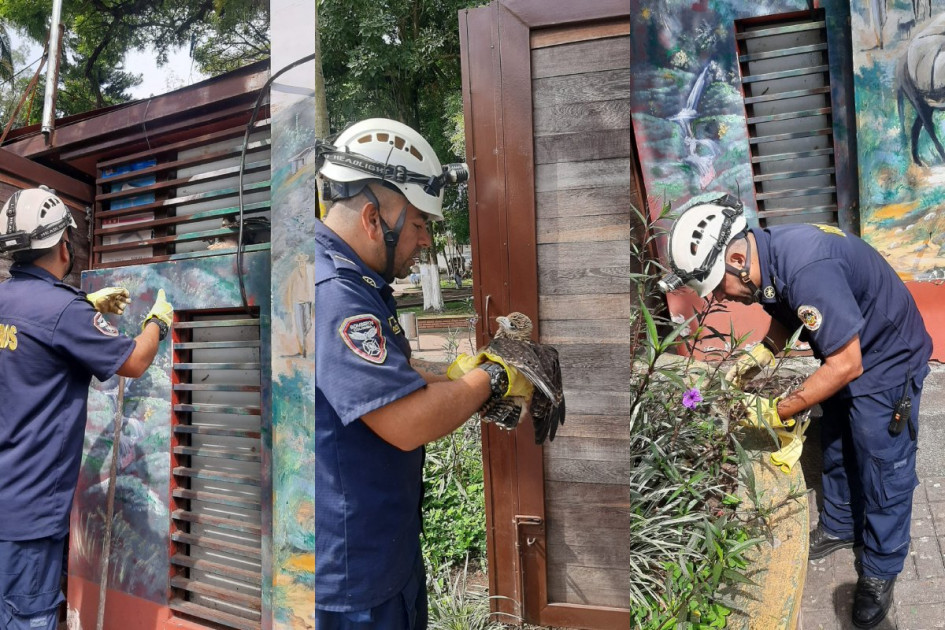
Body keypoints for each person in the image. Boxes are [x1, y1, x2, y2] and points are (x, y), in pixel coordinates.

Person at [660, 194, 932, 629]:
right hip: (848, 350)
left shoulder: (807, 268)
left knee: (883, 466)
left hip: (887, 358)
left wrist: (776, 411)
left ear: (733, 258)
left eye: (718, 287)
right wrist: (759, 358)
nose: (723, 299)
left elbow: (848, 364)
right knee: (839, 436)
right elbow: (786, 314)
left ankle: (881, 568)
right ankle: (842, 523)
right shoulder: (766, 256)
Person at [314, 119, 527, 629]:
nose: (427, 240)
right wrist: (493, 378)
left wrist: (455, 375)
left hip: (380, 549)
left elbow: (393, 370)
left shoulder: (354, 278)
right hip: (354, 576)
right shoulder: (335, 294)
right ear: (372, 218)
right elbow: (405, 422)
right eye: (418, 225)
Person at [0, 187, 174, 630]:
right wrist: (157, 322)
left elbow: (30, 338)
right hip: (29, 517)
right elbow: (133, 361)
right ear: (63, 246)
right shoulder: (64, 311)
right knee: (27, 618)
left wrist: (79, 306)